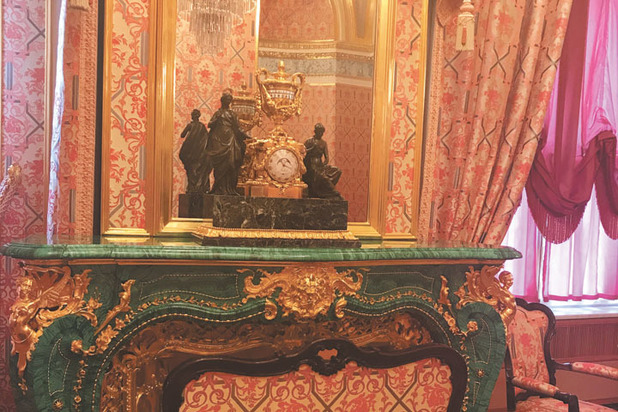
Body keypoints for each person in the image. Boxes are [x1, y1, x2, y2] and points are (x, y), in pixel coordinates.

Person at [206, 93, 249, 195]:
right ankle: (218, 188)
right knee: (219, 166)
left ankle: (230, 188)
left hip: (230, 140)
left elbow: (237, 128)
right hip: (219, 140)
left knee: (231, 163)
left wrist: (247, 137)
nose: (228, 102)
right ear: (222, 101)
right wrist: (217, 119)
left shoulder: (232, 114)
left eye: (229, 100)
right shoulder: (218, 113)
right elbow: (210, 124)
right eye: (226, 100)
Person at [302, 123, 343, 199]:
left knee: (337, 171)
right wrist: (311, 148)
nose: (320, 134)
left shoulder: (323, 143)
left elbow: (326, 158)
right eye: (319, 132)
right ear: (315, 131)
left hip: (320, 164)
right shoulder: (309, 141)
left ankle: (325, 190)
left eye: (322, 132)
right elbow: (302, 153)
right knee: (322, 176)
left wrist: (324, 164)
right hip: (311, 164)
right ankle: (332, 191)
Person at [179, 109, 210, 193]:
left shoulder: (190, 125)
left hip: (190, 152)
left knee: (191, 169)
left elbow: (182, 135)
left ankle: (192, 187)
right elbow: (207, 137)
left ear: (192, 116)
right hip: (199, 152)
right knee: (199, 169)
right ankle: (198, 187)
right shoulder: (202, 126)